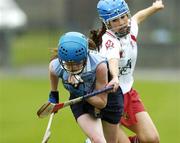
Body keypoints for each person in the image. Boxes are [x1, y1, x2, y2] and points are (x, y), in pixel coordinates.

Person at [87, 0, 164, 143]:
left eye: (123, 16)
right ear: (107, 23)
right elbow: (113, 59)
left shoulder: (130, 28)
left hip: (128, 94)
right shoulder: (109, 41)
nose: (122, 22)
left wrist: (154, 8)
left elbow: (138, 17)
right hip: (109, 99)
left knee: (152, 139)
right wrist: (115, 77)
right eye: (115, 20)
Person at [48, 31, 124, 143]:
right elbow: (52, 72)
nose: (72, 68)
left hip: (108, 98)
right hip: (80, 101)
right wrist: (54, 94)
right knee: (99, 141)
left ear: (85, 57)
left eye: (76, 63)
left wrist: (80, 90)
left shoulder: (99, 65)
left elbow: (101, 103)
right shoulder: (56, 66)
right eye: (68, 64)